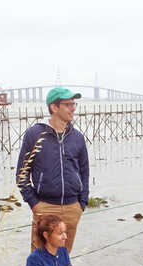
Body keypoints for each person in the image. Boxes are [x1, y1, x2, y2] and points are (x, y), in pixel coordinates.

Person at [16, 87, 90, 252]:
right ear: (54, 108)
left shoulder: (78, 138)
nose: (73, 108)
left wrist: (81, 203)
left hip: (72, 208)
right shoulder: (34, 135)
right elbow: (22, 174)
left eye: (74, 104)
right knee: (39, 262)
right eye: (68, 104)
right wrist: (35, 204)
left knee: (62, 262)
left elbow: (85, 172)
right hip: (46, 208)